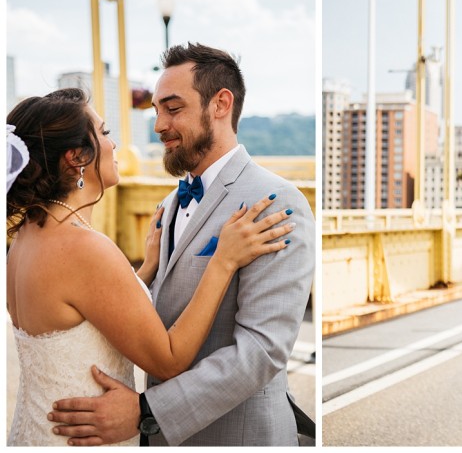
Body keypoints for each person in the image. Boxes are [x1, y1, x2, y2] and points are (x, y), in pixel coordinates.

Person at [47, 43, 316, 446]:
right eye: (156, 110)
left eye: (173, 109)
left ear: (221, 104)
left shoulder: (277, 201)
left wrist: (147, 412)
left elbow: (262, 350)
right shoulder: (170, 205)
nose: (158, 125)